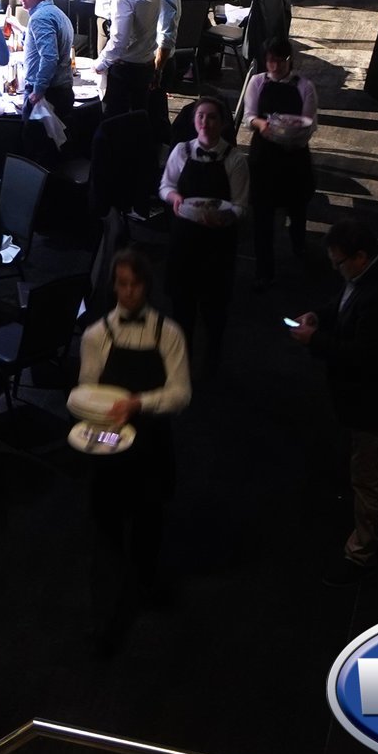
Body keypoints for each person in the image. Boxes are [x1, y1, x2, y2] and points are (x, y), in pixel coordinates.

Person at [293, 216, 378, 578]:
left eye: (338, 263)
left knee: (370, 481)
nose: (336, 270)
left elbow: (363, 355)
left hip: (377, 405)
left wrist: (314, 340)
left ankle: (361, 554)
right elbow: (344, 302)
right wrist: (320, 316)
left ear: (360, 257)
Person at [77, 246, 191, 652]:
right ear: (113, 286)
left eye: (135, 284)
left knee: (148, 525)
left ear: (147, 286)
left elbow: (180, 394)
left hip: (152, 444)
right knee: (105, 532)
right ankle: (103, 623)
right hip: (110, 444)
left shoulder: (169, 333)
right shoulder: (96, 335)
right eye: (121, 284)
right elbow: (86, 391)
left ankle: (144, 585)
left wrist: (139, 403)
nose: (128, 292)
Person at [160, 95, 250, 359]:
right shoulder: (181, 151)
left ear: (222, 123)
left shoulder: (235, 160)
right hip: (184, 239)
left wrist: (224, 217)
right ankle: (180, 358)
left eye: (212, 117)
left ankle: (212, 359)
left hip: (217, 243)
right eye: (201, 116)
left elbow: (241, 205)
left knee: (214, 307)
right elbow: (165, 186)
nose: (205, 122)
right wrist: (174, 197)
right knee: (181, 305)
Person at [241, 36, 318, 286]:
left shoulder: (304, 86)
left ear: (289, 60)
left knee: (297, 208)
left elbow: (309, 124)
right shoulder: (257, 82)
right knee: (262, 216)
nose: (274, 66)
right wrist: (260, 124)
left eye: (279, 61)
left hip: (294, 157)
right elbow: (249, 116)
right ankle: (264, 270)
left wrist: (291, 137)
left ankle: (299, 246)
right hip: (264, 156)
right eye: (270, 61)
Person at [96, 0, 161, 119]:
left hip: (126, 70)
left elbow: (119, 39)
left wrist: (101, 63)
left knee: (115, 120)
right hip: (146, 64)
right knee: (139, 117)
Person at [16, 0, 76, 139]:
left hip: (48, 94)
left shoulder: (40, 18)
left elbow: (49, 57)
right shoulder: (56, 13)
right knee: (58, 146)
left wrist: (38, 90)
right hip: (62, 89)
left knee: (35, 146)